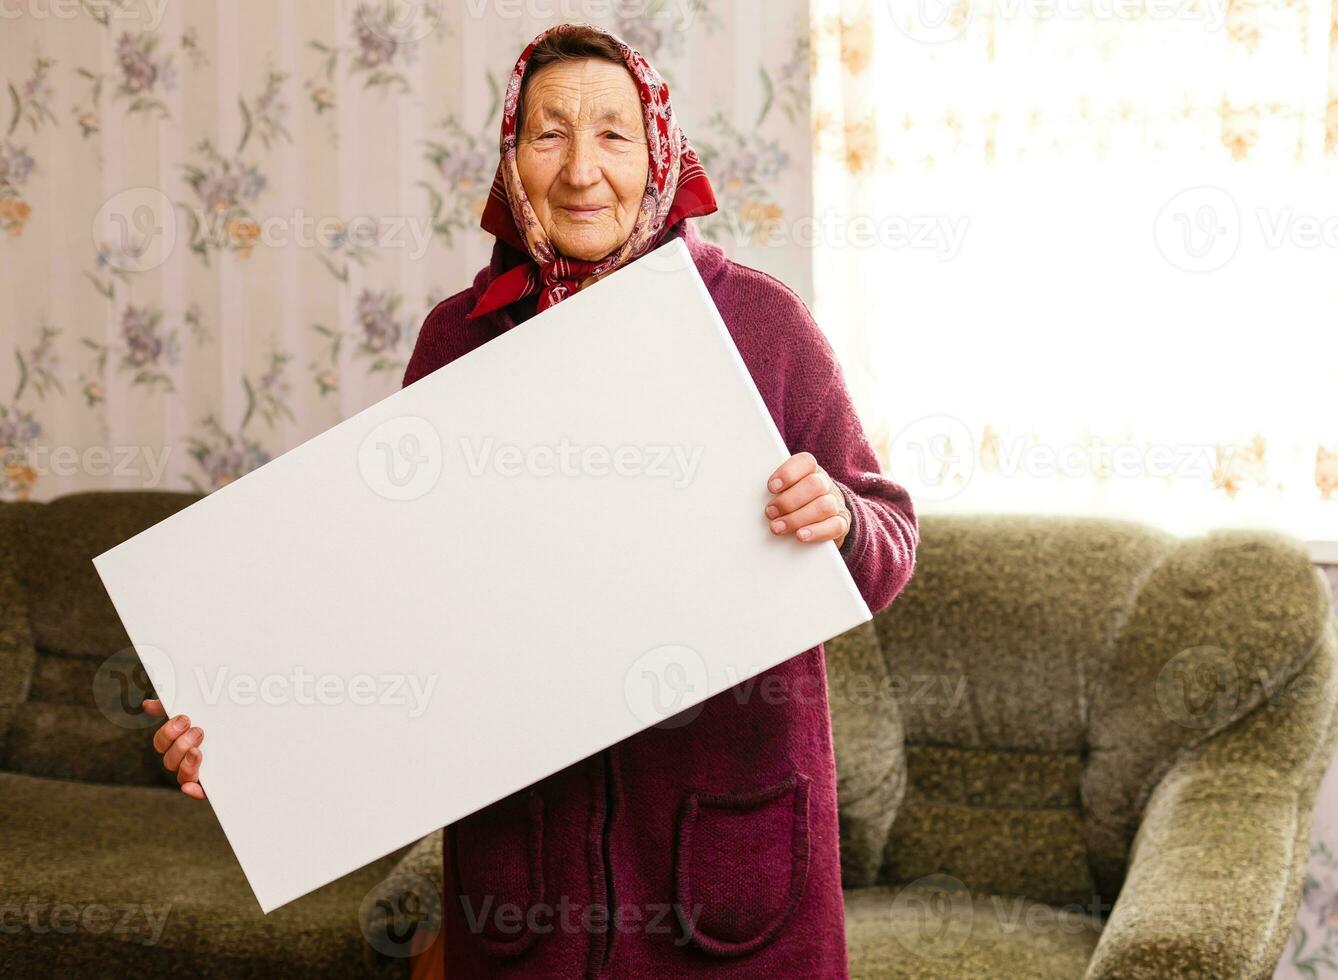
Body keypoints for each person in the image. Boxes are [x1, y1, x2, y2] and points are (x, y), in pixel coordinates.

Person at [146, 22, 917, 978]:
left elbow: (892, 538)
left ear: (663, 153)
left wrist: (840, 517)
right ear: (511, 155)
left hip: (723, 876)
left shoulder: (760, 323)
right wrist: (246, 731)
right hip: (527, 888)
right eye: (549, 134)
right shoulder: (457, 343)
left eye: (613, 135)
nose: (582, 170)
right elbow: (392, 599)